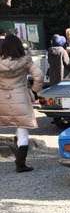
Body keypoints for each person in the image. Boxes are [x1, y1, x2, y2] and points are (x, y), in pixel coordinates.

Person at [0, 34, 44, 173]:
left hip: (2, 99)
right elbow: (39, 76)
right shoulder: (26, 61)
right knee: (22, 128)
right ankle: (20, 164)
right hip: (21, 99)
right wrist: (34, 92)